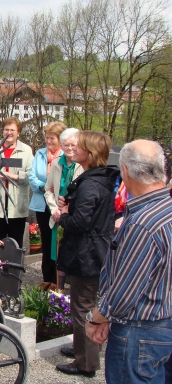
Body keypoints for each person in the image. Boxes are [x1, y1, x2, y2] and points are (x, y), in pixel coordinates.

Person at [84, 140, 172, 384]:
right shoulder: (166, 208)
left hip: (139, 330)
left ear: (125, 170)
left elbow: (125, 289)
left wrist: (97, 318)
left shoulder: (143, 223)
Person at [54, 131, 119, 378]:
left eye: (79, 147)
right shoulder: (97, 179)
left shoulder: (91, 184)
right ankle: (82, 348)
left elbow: (80, 222)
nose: (73, 150)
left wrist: (63, 216)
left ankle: (86, 363)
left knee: (83, 307)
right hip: (91, 250)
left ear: (90, 154)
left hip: (87, 253)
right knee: (83, 303)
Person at [44, 128, 83, 290]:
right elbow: (48, 189)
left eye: (73, 145)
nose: (70, 148)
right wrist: (54, 209)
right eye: (66, 145)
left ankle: (73, 290)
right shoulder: (56, 163)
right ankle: (58, 289)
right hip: (57, 215)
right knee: (57, 254)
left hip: (74, 215)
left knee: (73, 253)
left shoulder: (81, 165)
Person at [28, 121, 66, 289]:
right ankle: (47, 277)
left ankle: (59, 279)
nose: (48, 141)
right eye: (47, 137)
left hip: (59, 203)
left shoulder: (65, 154)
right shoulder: (40, 154)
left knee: (58, 241)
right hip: (41, 201)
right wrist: (44, 186)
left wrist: (55, 189)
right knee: (46, 239)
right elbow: (32, 176)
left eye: (52, 138)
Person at [0, 117, 33, 249]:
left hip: (17, 204)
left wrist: (13, 177)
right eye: (6, 129)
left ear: (18, 132)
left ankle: (14, 263)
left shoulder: (26, 150)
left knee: (16, 244)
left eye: (12, 130)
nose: (9, 133)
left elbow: (31, 175)